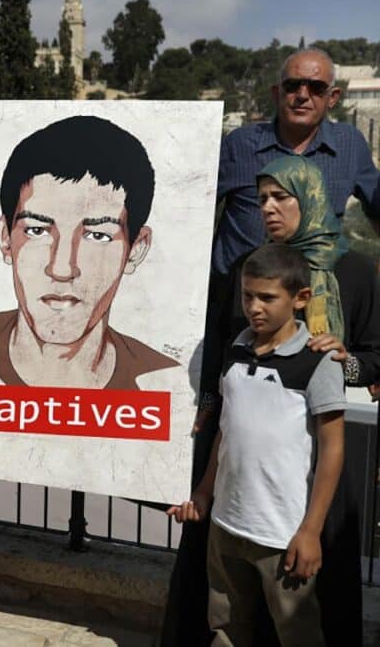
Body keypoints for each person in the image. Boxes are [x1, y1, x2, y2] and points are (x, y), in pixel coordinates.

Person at [163, 156, 380, 647]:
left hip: (318, 457)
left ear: (309, 198)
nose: (268, 209)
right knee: (231, 609)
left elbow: (374, 358)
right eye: (261, 199)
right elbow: (226, 346)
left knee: (305, 607)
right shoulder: (252, 266)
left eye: (280, 197)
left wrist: (341, 361)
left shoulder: (354, 270)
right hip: (243, 479)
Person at [169, 242, 346, 647]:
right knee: (227, 627)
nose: (255, 306)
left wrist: (310, 531)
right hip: (226, 527)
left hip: (281, 535)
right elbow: (226, 431)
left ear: (300, 298)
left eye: (267, 297)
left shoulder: (317, 363)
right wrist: (203, 492)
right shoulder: (235, 350)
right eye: (248, 295)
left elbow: (333, 451)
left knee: (297, 633)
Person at [0, 115, 178, 390]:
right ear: (5, 238)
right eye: (37, 231)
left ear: (136, 249)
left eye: (97, 236)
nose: (62, 268)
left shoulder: (165, 386)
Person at [212, 47, 380, 277]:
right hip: (238, 297)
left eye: (316, 87)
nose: (302, 95)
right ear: (276, 93)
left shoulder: (349, 145)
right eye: (292, 86)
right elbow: (194, 211)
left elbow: (376, 207)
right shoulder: (239, 144)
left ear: (332, 98)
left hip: (313, 298)